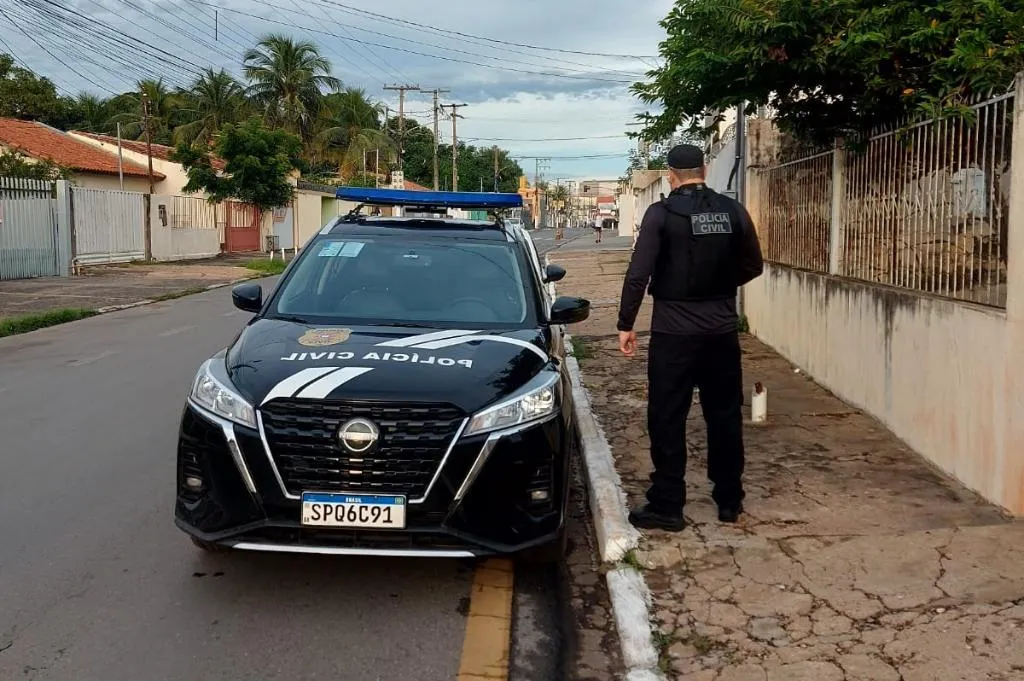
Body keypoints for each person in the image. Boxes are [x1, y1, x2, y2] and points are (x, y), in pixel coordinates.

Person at [616, 143, 764, 532]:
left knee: (667, 416)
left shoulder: (661, 214)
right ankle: (729, 500)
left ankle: (668, 504)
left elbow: (638, 273)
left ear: (671, 175)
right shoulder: (732, 211)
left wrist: (626, 323)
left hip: (673, 333)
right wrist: (718, 286)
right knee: (725, 414)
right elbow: (753, 264)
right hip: (720, 332)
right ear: (705, 169)